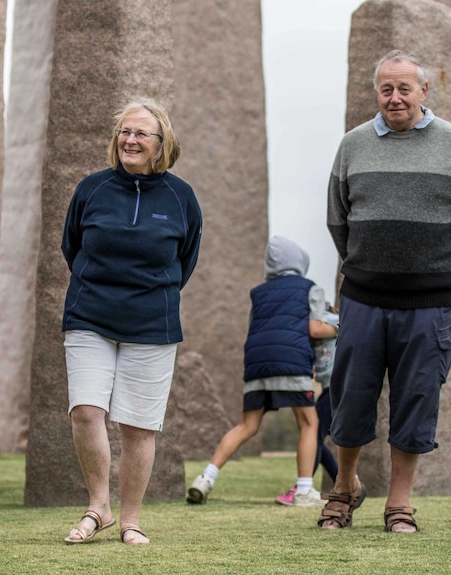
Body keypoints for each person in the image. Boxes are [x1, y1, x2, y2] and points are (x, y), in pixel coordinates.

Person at [323, 49, 451, 533]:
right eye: (385, 89)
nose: (394, 98)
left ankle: (399, 505)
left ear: (423, 91)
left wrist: (438, 273)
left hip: (430, 303)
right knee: (351, 396)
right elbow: (338, 219)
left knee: (415, 401)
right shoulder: (352, 145)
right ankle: (344, 488)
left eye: (404, 88)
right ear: (376, 92)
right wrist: (371, 265)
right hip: (362, 298)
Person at [60, 97, 202, 545]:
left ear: (162, 143)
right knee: (86, 411)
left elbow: (186, 260)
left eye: (141, 133)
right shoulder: (91, 189)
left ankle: (131, 520)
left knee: (138, 425)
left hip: (152, 324)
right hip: (89, 314)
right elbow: (72, 246)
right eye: (124, 131)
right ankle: (98, 506)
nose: (130, 139)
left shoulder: (182, 198)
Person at [186, 236, 338, 507]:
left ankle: (206, 478)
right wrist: (341, 328)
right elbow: (315, 329)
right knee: (309, 423)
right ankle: (304, 491)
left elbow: (253, 328)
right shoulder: (309, 289)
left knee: (247, 425)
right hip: (291, 362)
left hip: (257, 364)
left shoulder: (258, 293)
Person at [275, 305, 340, 505]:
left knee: (315, 434)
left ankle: (303, 486)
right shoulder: (310, 325)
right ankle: (345, 483)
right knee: (316, 436)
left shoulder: (332, 320)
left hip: (340, 387)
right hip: (329, 388)